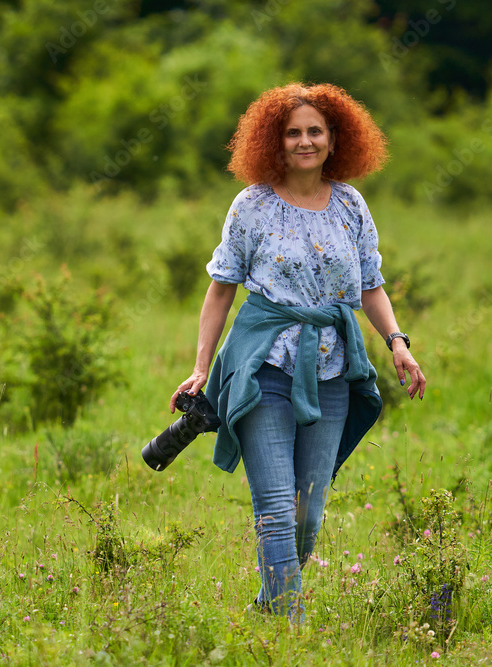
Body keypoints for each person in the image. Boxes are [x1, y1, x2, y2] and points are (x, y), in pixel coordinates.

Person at [170, 83, 427, 621]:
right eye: (293, 133)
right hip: (264, 368)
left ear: (335, 138)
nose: (305, 141)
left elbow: (371, 285)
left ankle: (268, 607)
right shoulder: (252, 205)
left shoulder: (351, 204)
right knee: (276, 509)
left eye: (315, 131)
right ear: (274, 140)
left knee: (308, 513)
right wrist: (200, 368)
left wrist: (398, 345)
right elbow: (221, 288)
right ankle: (292, 628)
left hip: (332, 369)